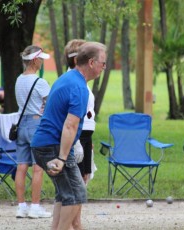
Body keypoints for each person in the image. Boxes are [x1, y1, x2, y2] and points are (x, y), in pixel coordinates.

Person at [31, 41, 106, 230]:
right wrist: (62, 158)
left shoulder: (68, 78)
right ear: (91, 63)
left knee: (65, 193)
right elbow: (70, 125)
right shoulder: (79, 88)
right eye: (102, 63)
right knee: (76, 194)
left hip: (45, 143)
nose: (104, 67)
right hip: (52, 146)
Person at [14, 45, 51, 219]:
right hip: (36, 125)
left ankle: (21, 206)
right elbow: (50, 103)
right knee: (38, 167)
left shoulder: (19, 79)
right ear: (35, 60)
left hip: (21, 124)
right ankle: (35, 207)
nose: (43, 62)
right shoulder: (39, 82)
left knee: (21, 166)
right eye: (41, 58)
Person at [64, 39, 96, 184]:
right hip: (78, 134)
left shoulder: (82, 80)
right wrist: (77, 141)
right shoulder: (73, 81)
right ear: (77, 59)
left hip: (86, 133)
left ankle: (79, 205)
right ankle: (74, 205)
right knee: (79, 175)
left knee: (85, 174)